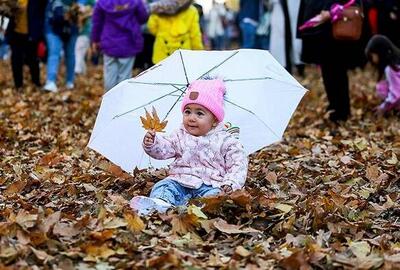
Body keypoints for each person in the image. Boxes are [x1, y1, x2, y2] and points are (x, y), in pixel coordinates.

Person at [130, 79, 248, 215]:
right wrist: (153, 143)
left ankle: (201, 210)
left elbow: (238, 164)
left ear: (215, 120)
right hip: (180, 180)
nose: (191, 118)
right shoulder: (180, 135)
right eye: (187, 111)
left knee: (216, 196)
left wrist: (231, 183)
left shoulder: (226, 140)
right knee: (163, 186)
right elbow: (165, 149)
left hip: (210, 184)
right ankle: (161, 203)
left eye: (199, 113)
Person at [297, 0, 369, 122]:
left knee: (336, 69)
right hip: (320, 26)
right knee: (328, 70)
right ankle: (335, 107)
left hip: (333, 25)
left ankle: (341, 111)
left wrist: (331, 13)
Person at [91, 0, 148, 92]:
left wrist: (95, 39)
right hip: (129, 42)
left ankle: (109, 100)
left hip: (109, 42)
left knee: (109, 75)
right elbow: (143, 18)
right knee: (125, 76)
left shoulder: (102, 2)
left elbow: (97, 22)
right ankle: (121, 102)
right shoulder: (135, 1)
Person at [5, 0, 47, 90]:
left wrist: (39, 32)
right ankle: (18, 85)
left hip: (31, 33)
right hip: (15, 33)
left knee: (32, 60)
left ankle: (36, 83)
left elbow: (42, 12)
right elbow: (7, 12)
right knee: (16, 60)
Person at [147, 0, 204, 64]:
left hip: (162, 52)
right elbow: (195, 36)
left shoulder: (158, 8)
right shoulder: (191, 11)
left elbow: (152, 28)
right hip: (183, 54)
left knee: (163, 72)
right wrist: (198, 53)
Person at [43, 0, 80, 92]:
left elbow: (82, 8)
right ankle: (50, 81)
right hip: (53, 27)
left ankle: (70, 81)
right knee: (54, 53)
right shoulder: (54, 3)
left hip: (71, 29)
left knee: (70, 54)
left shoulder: (76, 3)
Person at [365, 35, 400, 115]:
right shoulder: (396, 64)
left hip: (395, 102)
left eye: (372, 55)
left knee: (382, 87)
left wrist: (383, 108)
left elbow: (397, 93)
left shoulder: (391, 68)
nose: (371, 58)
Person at [74, 0, 95, 75]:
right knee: (79, 52)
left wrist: (86, 14)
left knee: (78, 50)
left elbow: (94, 10)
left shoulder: (91, 3)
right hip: (78, 32)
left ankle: (77, 70)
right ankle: (82, 72)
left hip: (85, 32)